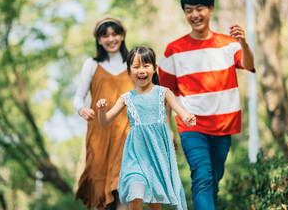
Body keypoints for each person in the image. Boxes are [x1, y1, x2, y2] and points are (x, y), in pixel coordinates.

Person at [158, 0, 256, 210]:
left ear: (210, 10)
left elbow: (249, 65)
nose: (194, 14)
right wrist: (167, 127)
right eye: (189, 10)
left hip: (224, 124)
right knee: (202, 175)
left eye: (199, 9)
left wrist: (244, 44)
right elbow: (165, 93)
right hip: (191, 125)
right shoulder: (173, 50)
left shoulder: (228, 43)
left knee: (214, 179)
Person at [96, 46, 196, 210]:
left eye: (146, 65)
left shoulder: (164, 93)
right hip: (135, 158)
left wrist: (188, 118)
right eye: (136, 67)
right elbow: (104, 121)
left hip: (157, 158)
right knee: (135, 193)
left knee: (154, 202)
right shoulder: (126, 98)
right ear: (129, 71)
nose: (141, 70)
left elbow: (182, 112)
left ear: (155, 68)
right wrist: (101, 111)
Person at [73, 15, 134, 210]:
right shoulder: (91, 65)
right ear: (99, 40)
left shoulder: (132, 63)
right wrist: (81, 109)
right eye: (105, 36)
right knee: (101, 193)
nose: (111, 39)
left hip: (127, 134)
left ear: (122, 35)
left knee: (124, 188)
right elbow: (78, 97)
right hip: (99, 134)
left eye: (115, 34)